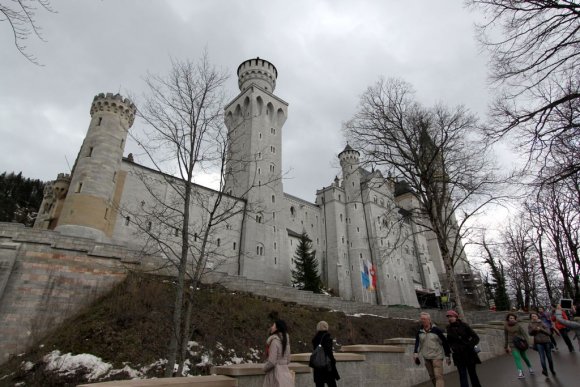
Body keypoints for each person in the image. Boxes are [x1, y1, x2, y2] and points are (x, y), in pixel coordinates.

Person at [413, 312, 451, 387]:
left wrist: (447, 355)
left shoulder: (436, 330)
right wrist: (415, 353)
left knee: (438, 376)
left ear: (429, 320)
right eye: (421, 319)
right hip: (426, 357)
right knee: (432, 376)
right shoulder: (419, 332)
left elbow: (445, 343)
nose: (423, 321)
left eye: (424, 319)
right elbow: (417, 343)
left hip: (437, 356)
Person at [445, 310, 481, 387]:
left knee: (472, 374)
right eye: (448, 317)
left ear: (456, 317)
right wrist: (448, 353)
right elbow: (449, 342)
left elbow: (476, 338)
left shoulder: (464, 325)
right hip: (458, 355)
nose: (449, 318)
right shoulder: (448, 328)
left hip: (469, 354)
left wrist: (468, 346)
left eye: (451, 316)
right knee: (462, 375)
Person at [263, 319, 294, 387]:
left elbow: (271, 362)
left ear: (277, 328)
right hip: (286, 374)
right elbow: (288, 360)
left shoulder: (274, 341)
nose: (272, 327)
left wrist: (264, 368)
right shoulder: (286, 342)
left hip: (274, 375)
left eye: (273, 326)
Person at [310, 320, 340, 387]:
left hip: (318, 364)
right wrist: (333, 361)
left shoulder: (315, 338)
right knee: (332, 383)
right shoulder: (326, 337)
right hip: (327, 365)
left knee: (319, 384)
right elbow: (329, 352)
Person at [504, 313, 533, 379]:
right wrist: (506, 346)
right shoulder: (505, 326)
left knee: (524, 357)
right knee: (517, 357)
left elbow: (525, 335)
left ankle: (530, 367)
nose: (512, 319)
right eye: (510, 318)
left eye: (513, 318)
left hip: (520, 343)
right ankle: (520, 372)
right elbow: (506, 336)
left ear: (515, 319)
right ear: (508, 318)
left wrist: (528, 343)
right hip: (512, 344)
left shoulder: (518, 325)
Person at [528, 311, 556, 377]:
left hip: (546, 341)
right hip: (538, 343)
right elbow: (530, 333)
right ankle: (545, 370)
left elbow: (549, 333)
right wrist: (534, 330)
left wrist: (540, 329)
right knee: (542, 358)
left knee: (549, 357)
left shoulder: (543, 322)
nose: (534, 317)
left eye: (535, 316)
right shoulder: (530, 324)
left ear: (537, 316)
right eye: (532, 317)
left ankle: (552, 370)